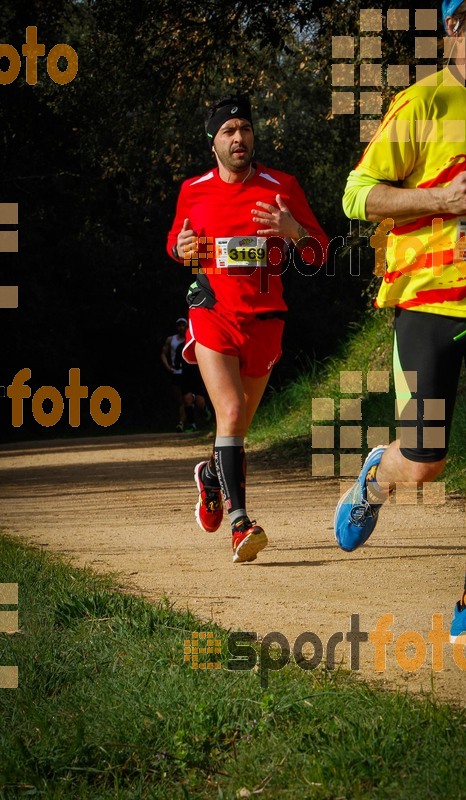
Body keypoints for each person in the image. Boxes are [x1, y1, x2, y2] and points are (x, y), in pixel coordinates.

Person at [335, 0, 466, 649]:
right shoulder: (423, 105)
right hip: (426, 307)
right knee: (422, 463)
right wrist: (438, 200)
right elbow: (357, 193)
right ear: (453, 26)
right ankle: (375, 475)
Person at [167, 93, 328, 563]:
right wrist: (181, 246)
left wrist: (291, 228)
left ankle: (213, 478)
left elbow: (318, 254)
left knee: (235, 425)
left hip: (265, 320)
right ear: (213, 141)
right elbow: (177, 245)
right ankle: (241, 525)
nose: (239, 138)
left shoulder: (282, 186)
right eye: (228, 131)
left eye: (245, 129)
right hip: (212, 311)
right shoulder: (193, 190)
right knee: (232, 411)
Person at [160, 317, 211, 433]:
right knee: (185, 400)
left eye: (184, 325)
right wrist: (169, 367)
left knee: (199, 401)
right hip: (179, 374)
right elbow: (164, 354)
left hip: (195, 372)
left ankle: (202, 412)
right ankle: (189, 424)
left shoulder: (194, 339)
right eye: (179, 325)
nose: (181, 328)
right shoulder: (172, 341)